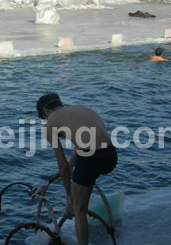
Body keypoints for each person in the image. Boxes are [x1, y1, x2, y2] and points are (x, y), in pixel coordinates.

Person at [36, 93, 117, 245]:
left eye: (43, 118)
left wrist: (68, 197)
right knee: (86, 179)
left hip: (91, 159)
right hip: (111, 155)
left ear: (46, 111)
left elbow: (62, 166)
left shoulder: (50, 123)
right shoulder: (79, 109)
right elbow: (82, 145)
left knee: (79, 209)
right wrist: (73, 166)